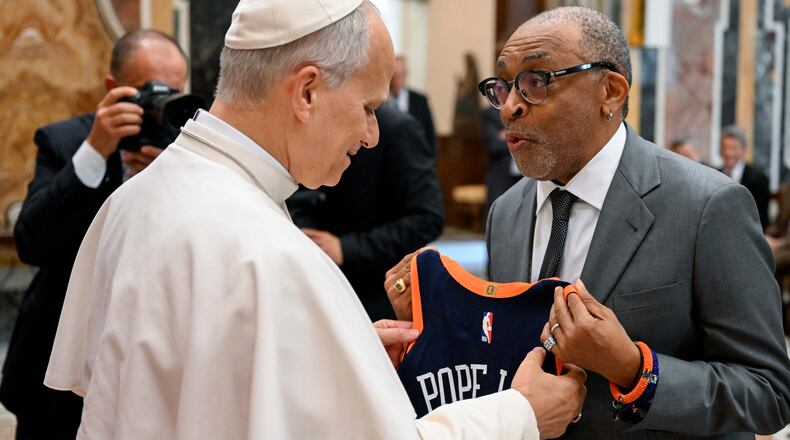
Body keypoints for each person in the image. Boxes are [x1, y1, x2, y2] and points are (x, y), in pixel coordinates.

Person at [44, 1, 587, 438]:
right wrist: (519, 415)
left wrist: (341, 349)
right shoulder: (275, 256)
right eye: (369, 107)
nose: (372, 135)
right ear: (306, 91)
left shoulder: (134, 199)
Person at [387, 6, 790, 439]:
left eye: (536, 82)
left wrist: (635, 369)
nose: (509, 108)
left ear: (611, 92)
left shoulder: (708, 206)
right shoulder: (506, 212)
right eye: (502, 87)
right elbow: (511, 362)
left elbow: (769, 394)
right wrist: (439, 325)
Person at [1, 29, 188, 439]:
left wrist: (170, 176)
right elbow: (31, 242)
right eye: (146, 91)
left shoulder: (187, 149)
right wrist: (95, 152)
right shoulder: (66, 140)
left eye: (172, 92)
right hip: (56, 356)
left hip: (148, 352)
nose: (159, 102)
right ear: (112, 87)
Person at [290, 102, 443, 321]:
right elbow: (302, 195)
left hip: (374, 294)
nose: (371, 136)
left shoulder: (399, 129)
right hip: (316, 285)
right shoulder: (313, 123)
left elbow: (428, 219)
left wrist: (346, 248)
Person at [718, 125, 770, 230]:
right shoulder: (715, 174)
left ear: (743, 149)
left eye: (733, 148)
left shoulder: (758, 178)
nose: (728, 153)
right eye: (725, 147)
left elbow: (761, 217)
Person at [390, 55, 436, 152]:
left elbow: (429, 134)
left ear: (406, 74)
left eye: (400, 76)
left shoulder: (420, 101)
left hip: (414, 157)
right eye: (394, 76)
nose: (397, 81)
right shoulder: (381, 100)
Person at [482, 105, 521, 217]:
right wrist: (518, 136)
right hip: (501, 176)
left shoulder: (525, 109)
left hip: (527, 177)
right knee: (497, 216)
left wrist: (507, 135)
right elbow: (494, 145)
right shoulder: (491, 113)